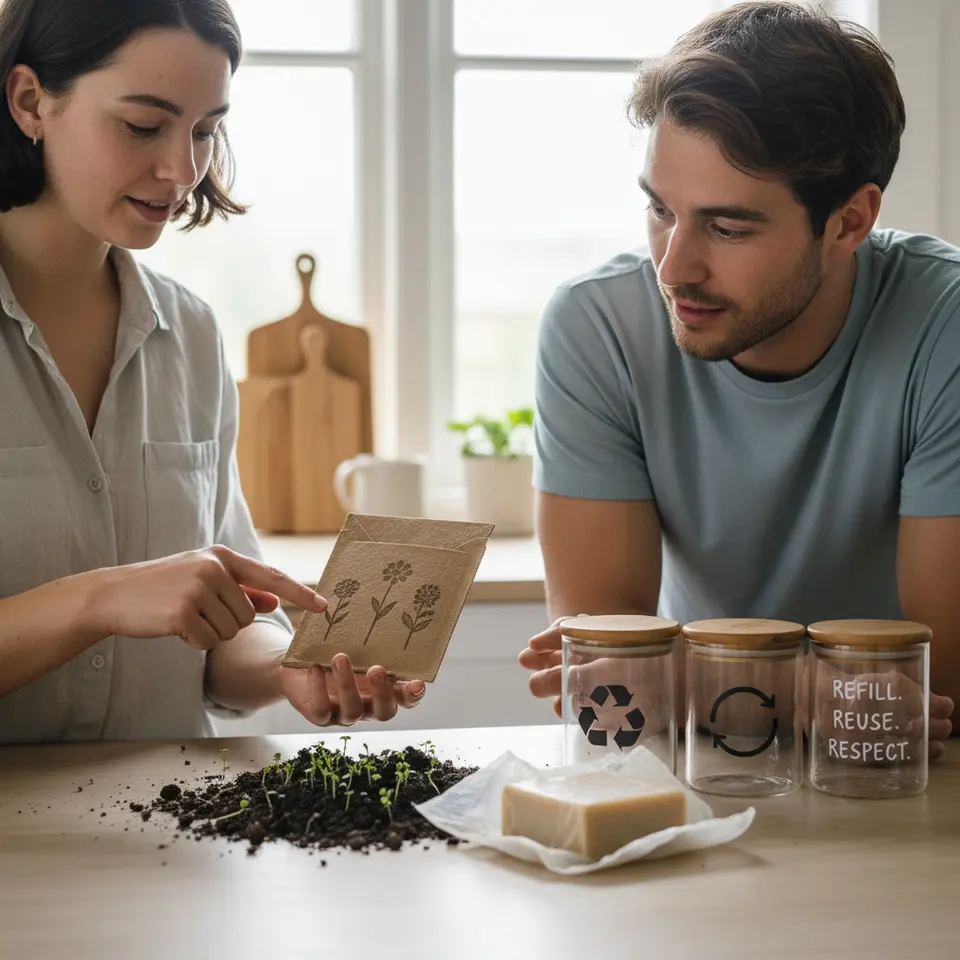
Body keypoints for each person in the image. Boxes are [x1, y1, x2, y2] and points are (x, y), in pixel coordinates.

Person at [520, 1, 956, 758]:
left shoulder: (943, 325)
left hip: (901, 778)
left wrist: (679, 674)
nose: (673, 268)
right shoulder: (597, 327)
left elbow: (938, 689)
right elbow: (605, 683)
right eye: (660, 211)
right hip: (700, 768)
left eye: (727, 228)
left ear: (850, 222)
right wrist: (809, 692)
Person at [0, 0, 425, 743]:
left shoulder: (191, 333)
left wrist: (290, 668)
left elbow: (222, 627)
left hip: (172, 811)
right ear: (31, 101)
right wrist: (100, 601)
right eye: (143, 126)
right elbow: (133, 597)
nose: (181, 171)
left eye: (205, 131)